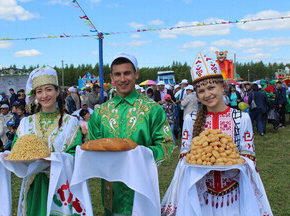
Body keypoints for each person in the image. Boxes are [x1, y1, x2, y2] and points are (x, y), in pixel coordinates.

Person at [161, 52, 272, 216]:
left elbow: (250, 157)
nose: (207, 94)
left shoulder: (242, 118)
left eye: (211, 87)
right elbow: (184, 158)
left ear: (223, 87)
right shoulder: (191, 120)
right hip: (200, 196)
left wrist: (229, 159)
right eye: (201, 91)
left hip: (234, 195)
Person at [87, 52, 175, 216]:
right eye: (118, 74)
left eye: (127, 73)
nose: (122, 79)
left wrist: (142, 155)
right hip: (111, 189)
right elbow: (91, 145)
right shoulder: (100, 113)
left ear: (136, 74)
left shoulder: (152, 109)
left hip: (142, 186)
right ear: (112, 77)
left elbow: (167, 145)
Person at [12, 66, 82, 215]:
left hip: (60, 185)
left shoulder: (71, 122)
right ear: (35, 95)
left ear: (57, 91)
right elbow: (16, 151)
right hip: (33, 185)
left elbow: (75, 155)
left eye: (48, 89)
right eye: (39, 91)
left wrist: (52, 159)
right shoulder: (26, 123)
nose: (44, 95)